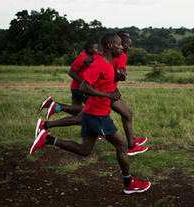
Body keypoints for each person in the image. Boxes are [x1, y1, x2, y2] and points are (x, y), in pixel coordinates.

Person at [30, 33, 151, 194]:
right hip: (98, 115)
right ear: (109, 46)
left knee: (84, 150)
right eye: (119, 45)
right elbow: (84, 87)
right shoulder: (99, 64)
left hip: (93, 113)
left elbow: (103, 82)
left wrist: (117, 77)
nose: (121, 47)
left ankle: (48, 138)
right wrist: (109, 95)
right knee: (122, 145)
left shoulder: (107, 65)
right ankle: (128, 184)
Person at [37, 31, 148, 156]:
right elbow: (88, 65)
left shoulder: (118, 56)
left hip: (109, 91)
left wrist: (118, 75)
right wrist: (95, 80)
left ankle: (45, 126)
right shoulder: (107, 56)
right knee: (126, 115)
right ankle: (131, 146)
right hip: (105, 93)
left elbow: (118, 72)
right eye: (124, 44)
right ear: (114, 44)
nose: (126, 47)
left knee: (81, 121)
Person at [39, 41, 99, 120]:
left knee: (75, 111)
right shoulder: (82, 58)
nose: (97, 50)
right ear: (90, 49)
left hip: (79, 87)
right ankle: (57, 107)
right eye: (96, 48)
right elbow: (71, 72)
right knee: (91, 110)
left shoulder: (94, 56)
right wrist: (83, 83)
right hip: (80, 88)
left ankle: (52, 104)